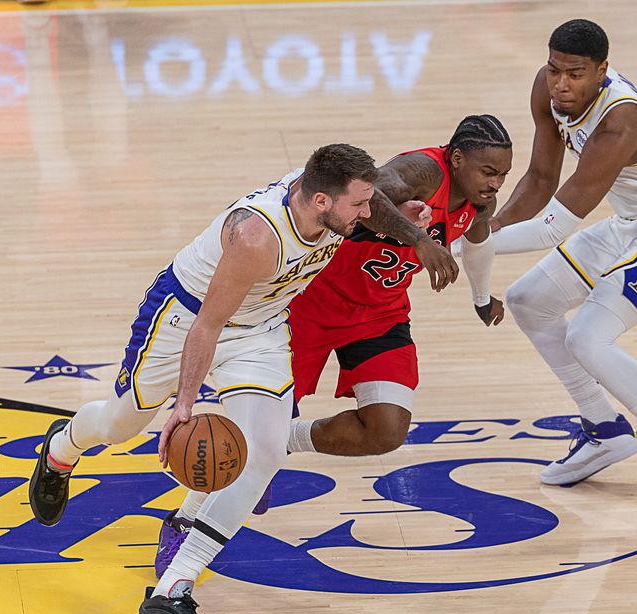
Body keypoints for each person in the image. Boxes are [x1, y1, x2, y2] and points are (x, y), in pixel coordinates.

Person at [26, 143, 457, 614]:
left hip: (260, 327)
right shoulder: (257, 235)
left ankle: (170, 594)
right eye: (360, 205)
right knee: (123, 425)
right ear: (321, 201)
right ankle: (63, 446)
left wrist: (405, 225)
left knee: (265, 451)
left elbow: (379, 205)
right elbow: (208, 325)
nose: (368, 213)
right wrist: (185, 406)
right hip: (186, 318)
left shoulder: (334, 198)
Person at [153, 115, 514, 576]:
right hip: (311, 305)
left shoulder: (480, 201)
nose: (496, 183)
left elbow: (479, 243)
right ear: (457, 159)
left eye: (502, 173)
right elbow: (370, 192)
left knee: (386, 430)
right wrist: (418, 237)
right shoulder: (424, 171)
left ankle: (281, 444)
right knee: (239, 437)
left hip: (379, 316)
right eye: (488, 172)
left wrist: (482, 299)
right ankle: (183, 522)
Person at [490, 19, 637, 535]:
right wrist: (482, 229)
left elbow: (551, 229)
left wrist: (464, 243)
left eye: (574, 74)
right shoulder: (548, 88)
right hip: (630, 223)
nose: (560, 84)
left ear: (602, 71)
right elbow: (538, 181)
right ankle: (605, 428)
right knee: (528, 299)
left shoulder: (623, 123)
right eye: (555, 70)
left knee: (588, 337)